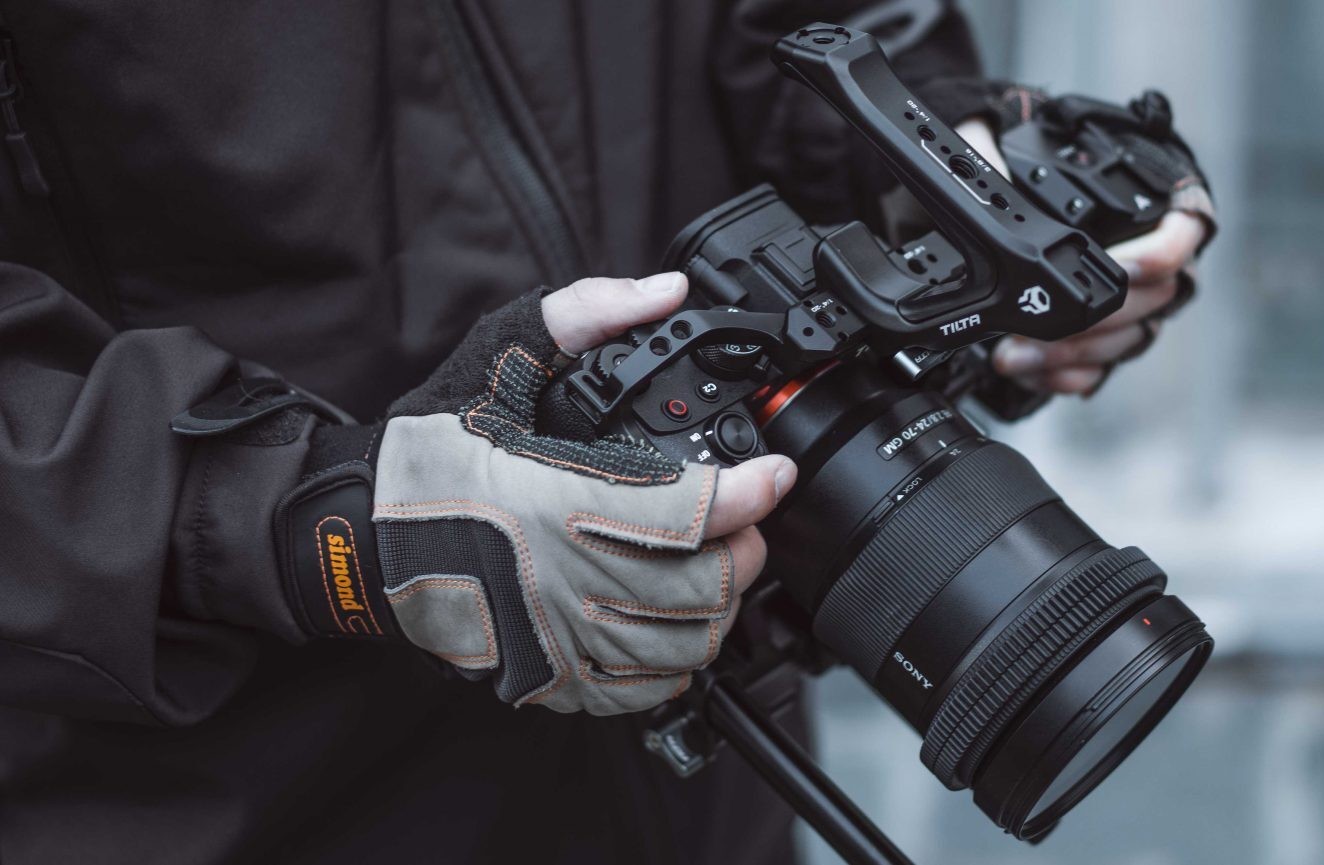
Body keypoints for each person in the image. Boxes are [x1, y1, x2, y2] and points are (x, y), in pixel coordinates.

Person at [0, 2, 1211, 862]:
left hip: (710, 788)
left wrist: (951, 169)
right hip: (253, 799)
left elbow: (809, 22)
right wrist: (322, 523)